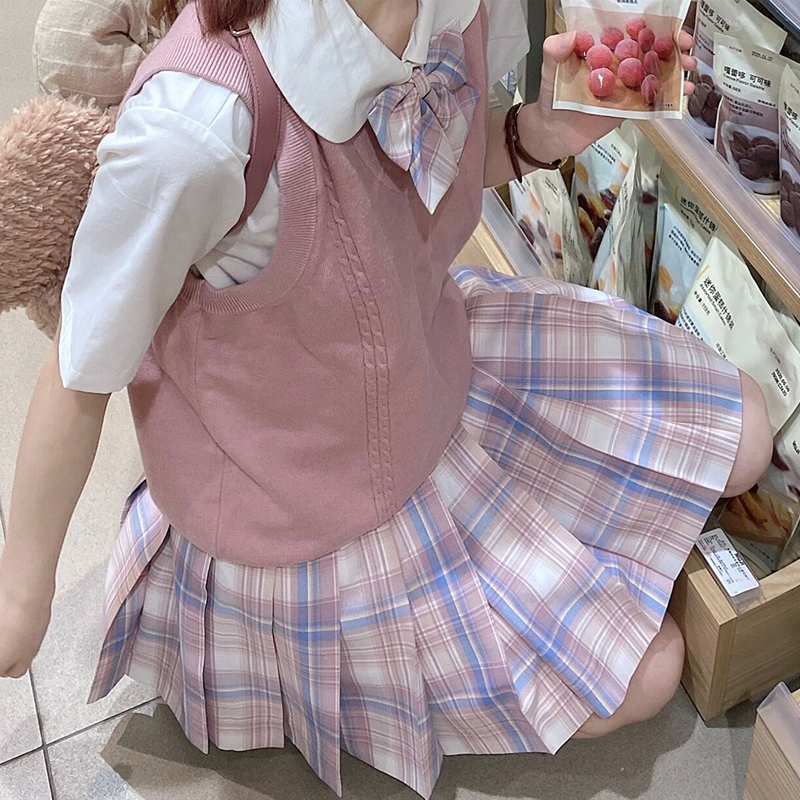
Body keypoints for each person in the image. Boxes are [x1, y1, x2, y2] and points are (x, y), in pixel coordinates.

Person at [0, 0, 772, 795]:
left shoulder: (455, 8)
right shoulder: (197, 125)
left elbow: (428, 164)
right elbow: (80, 364)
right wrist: (23, 593)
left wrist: (536, 134)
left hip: (427, 355)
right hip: (305, 503)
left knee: (746, 432)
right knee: (648, 671)